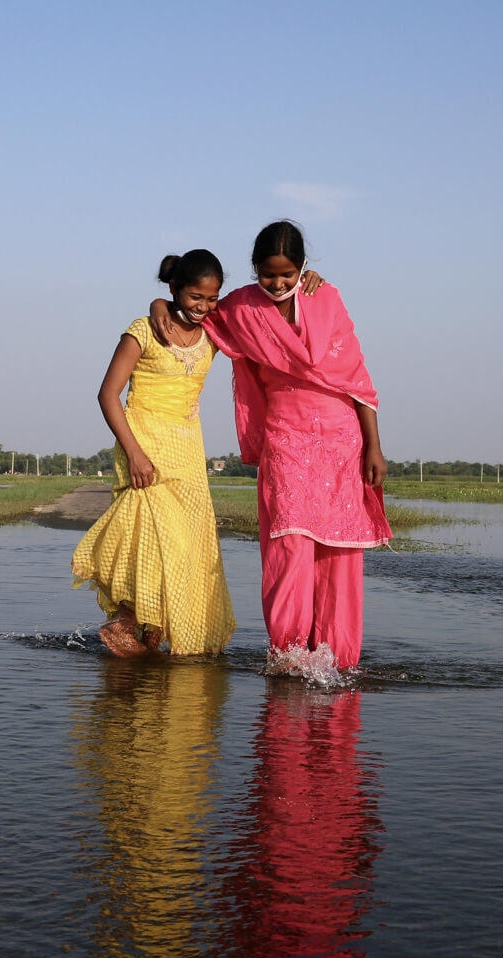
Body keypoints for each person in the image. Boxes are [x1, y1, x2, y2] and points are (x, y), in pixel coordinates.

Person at [151, 221, 390, 671]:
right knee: (288, 548)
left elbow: (358, 379)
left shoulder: (325, 298)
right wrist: (160, 300)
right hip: (285, 438)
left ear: (302, 268)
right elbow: (198, 312)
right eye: (268, 274)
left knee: (339, 552)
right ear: (254, 270)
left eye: (287, 274)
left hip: (341, 438)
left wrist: (373, 447)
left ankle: (337, 661)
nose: (278, 284)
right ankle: (289, 656)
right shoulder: (242, 307)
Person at [72, 249, 237, 656]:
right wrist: (134, 454)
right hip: (144, 448)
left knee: (187, 549)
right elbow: (108, 394)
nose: (204, 307)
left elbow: (260, 307)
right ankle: (123, 625)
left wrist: (309, 280)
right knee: (154, 541)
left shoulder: (215, 330)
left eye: (212, 298)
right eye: (195, 297)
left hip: (187, 453)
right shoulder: (143, 331)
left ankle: (148, 639)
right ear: (174, 289)